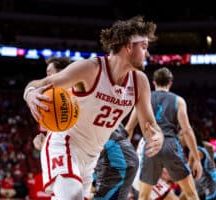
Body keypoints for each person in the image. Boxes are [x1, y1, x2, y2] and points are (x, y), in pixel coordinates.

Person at [23, 15, 164, 200]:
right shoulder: (90, 69)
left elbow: (149, 125)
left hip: (92, 158)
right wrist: (30, 93)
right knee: (72, 195)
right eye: (144, 47)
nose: (147, 54)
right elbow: (42, 83)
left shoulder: (140, 82)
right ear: (129, 46)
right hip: (65, 144)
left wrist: (157, 135)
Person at [33, 57, 139, 199]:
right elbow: (48, 136)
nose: (47, 77)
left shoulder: (82, 88)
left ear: (62, 74)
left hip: (97, 152)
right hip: (70, 150)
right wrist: (42, 140)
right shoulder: (49, 101)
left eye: (50, 73)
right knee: (71, 194)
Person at [125, 67, 203, 200]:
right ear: (170, 83)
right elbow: (187, 130)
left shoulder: (143, 99)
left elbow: (129, 128)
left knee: (143, 196)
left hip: (151, 146)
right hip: (170, 144)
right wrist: (196, 158)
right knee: (191, 194)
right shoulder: (178, 101)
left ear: (154, 82)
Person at [178, 127, 216, 200]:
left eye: (181, 135)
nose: (179, 137)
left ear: (190, 136)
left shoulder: (196, 151)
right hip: (201, 181)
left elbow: (187, 171)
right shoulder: (189, 149)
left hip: (209, 182)